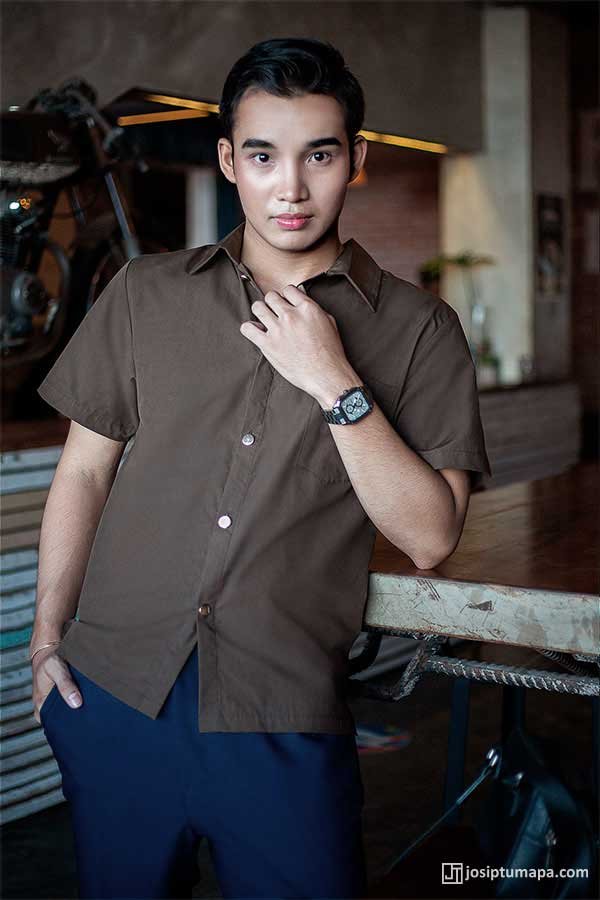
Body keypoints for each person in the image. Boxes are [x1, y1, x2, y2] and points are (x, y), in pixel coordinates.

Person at [31, 37, 491, 900]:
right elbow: (84, 473)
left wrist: (335, 382)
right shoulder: (145, 293)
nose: (291, 186)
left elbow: (430, 536)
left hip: (281, 720)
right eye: (263, 155)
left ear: (355, 160)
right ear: (227, 161)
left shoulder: (422, 331)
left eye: (319, 154)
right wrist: (46, 640)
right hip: (114, 702)